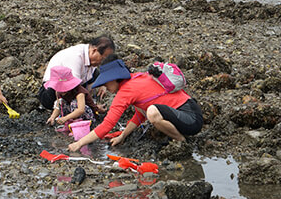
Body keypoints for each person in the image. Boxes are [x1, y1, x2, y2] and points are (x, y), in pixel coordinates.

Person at [67, 58, 204, 152]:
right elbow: (140, 114)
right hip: (192, 111)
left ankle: (181, 141)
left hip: (191, 120)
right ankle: (178, 136)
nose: (106, 88)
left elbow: (107, 125)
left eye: (106, 83)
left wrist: (79, 143)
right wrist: (122, 136)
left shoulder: (126, 91)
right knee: (149, 110)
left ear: (115, 79)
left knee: (152, 113)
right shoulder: (136, 77)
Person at [38, 36, 115, 110]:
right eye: (102, 59)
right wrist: (94, 107)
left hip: (74, 85)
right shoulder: (75, 57)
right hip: (51, 93)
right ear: (94, 51)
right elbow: (76, 89)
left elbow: (98, 75)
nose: (102, 62)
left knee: (96, 76)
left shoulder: (90, 56)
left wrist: (103, 85)